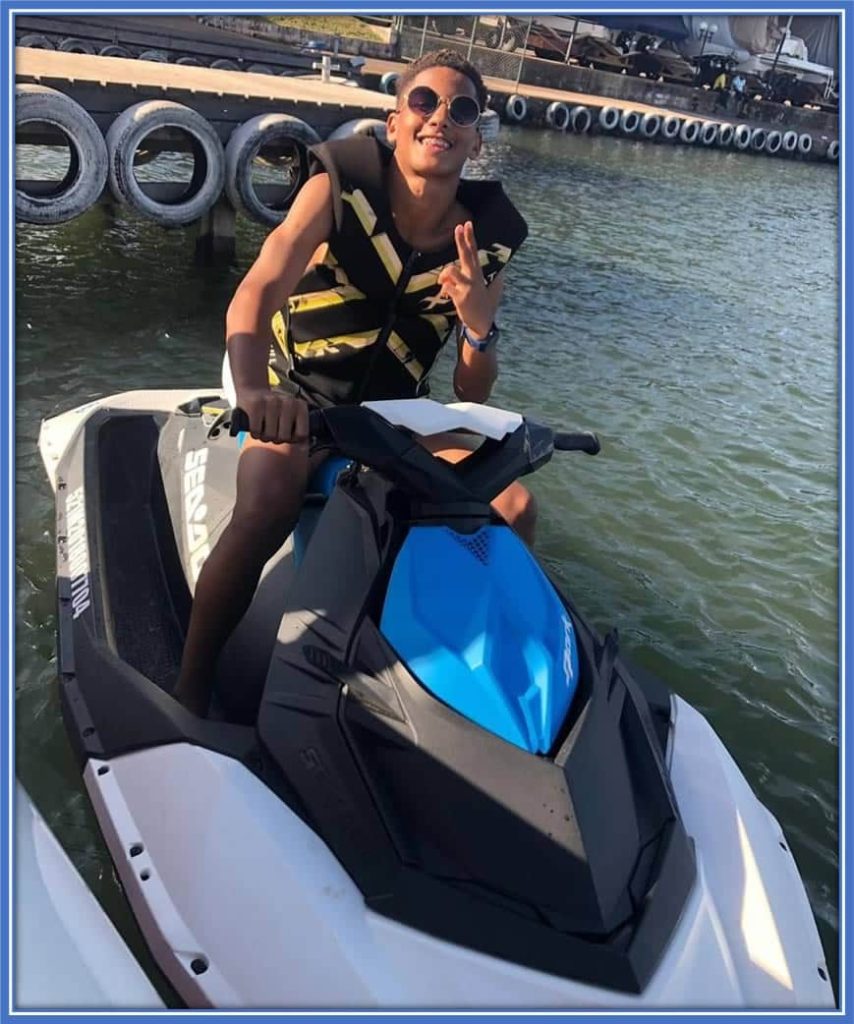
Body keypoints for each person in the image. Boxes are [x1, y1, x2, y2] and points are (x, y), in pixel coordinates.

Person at [174, 49, 531, 716]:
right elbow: (257, 291)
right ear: (394, 122)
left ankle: (482, 686)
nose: (440, 120)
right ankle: (191, 685)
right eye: (423, 103)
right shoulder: (340, 186)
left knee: (512, 506)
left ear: (475, 138)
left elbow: (473, 393)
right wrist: (254, 392)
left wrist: (478, 328)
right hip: (294, 393)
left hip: (391, 418)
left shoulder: (488, 237)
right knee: (271, 493)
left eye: (461, 111)